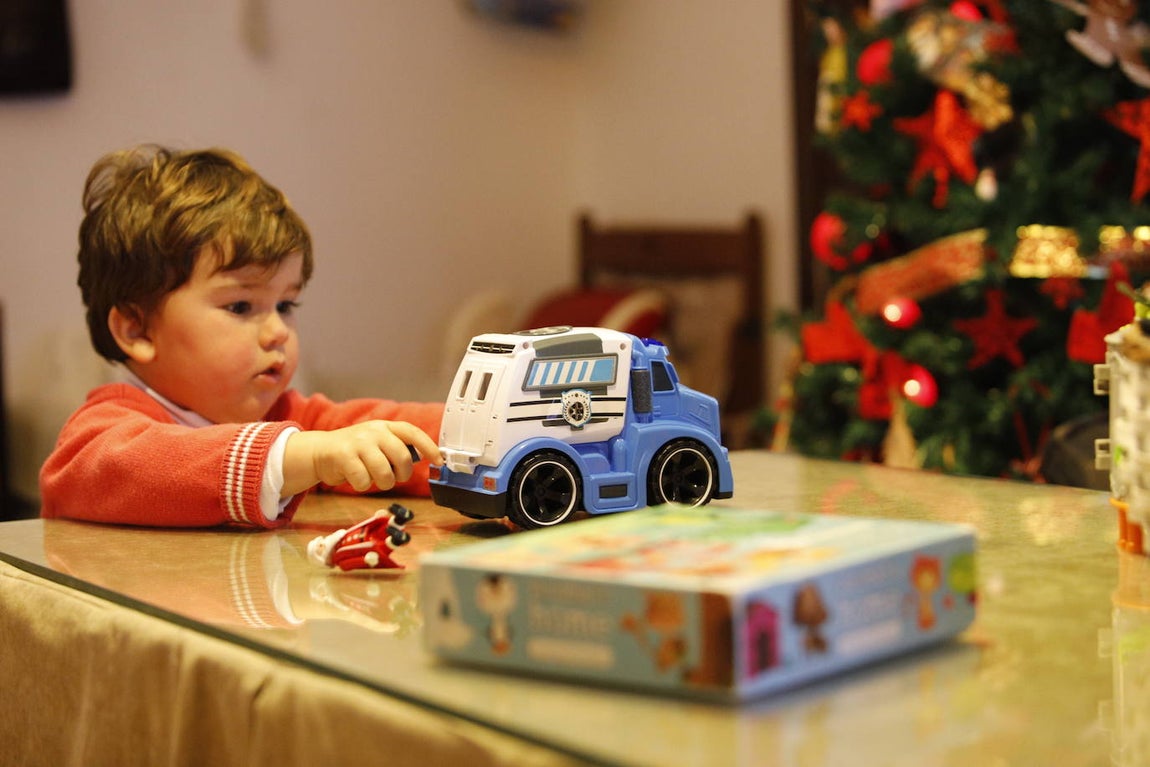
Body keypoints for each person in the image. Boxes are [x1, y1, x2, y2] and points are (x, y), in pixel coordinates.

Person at [39, 145, 444, 528]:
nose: (277, 332)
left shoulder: (285, 416)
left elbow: (373, 427)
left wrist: (477, 432)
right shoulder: (100, 436)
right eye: (240, 307)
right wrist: (305, 456)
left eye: (286, 306)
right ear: (137, 329)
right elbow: (129, 467)